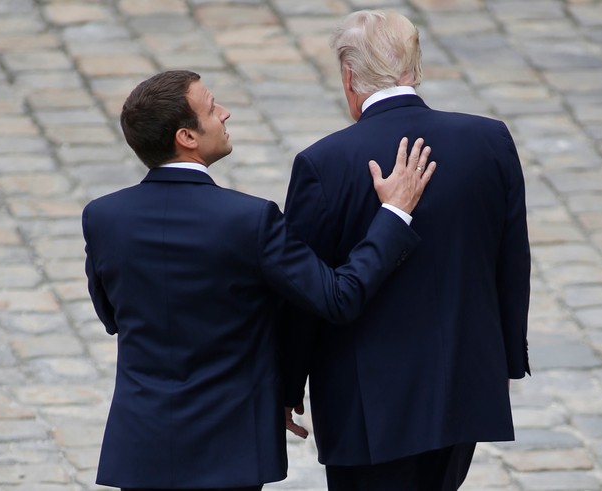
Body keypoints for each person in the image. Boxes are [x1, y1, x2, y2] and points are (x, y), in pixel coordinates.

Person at [81, 69, 436, 491]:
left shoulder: (103, 217)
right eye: (212, 108)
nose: (225, 114)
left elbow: (112, 315)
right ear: (187, 137)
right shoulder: (250, 220)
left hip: (143, 447)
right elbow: (339, 298)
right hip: (229, 450)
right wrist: (393, 215)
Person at [278, 10, 531, 491]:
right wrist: (504, 362)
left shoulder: (323, 164)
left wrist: (287, 384)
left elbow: (302, 294)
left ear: (349, 76)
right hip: (463, 386)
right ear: (414, 67)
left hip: (368, 406)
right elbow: (512, 263)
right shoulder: (489, 141)